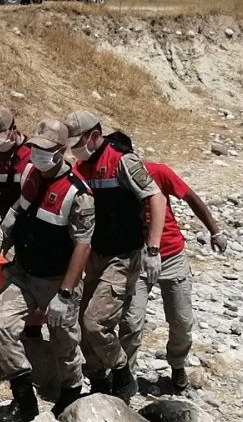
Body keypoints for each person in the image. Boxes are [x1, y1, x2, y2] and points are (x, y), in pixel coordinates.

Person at [0, 119, 93, 422]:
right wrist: (13, 216)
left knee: (64, 342)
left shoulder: (78, 194)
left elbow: (82, 246)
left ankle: (72, 393)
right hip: (23, 271)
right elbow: (25, 201)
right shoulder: (30, 173)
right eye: (35, 147)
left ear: (62, 151)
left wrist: (64, 293)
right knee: (0, 323)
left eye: (46, 150)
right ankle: (24, 399)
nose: (37, 154)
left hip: (57, 280)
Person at [110, 133, 229, 394]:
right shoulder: (109, 179)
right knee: (131, 322)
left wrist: (214, 230)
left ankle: (177, 364)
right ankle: (126, 375)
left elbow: (191, 197)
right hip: (135, 258)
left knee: (181, 321)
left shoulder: (157, 172)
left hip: (171, 255)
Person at [64, 110, 166, 402]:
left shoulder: (122, 161)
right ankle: (98, 382)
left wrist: (153, 248)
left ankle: (122, 373)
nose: (75, 149)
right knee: (83, 323)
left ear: (95, 136)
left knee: (96, 322)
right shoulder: (83, 165)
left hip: (123, 255)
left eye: (79, 142)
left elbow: (154, 197)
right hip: (95, 253)